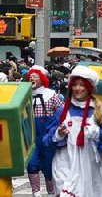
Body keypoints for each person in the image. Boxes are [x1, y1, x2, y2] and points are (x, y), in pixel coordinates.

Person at [45, 65, 102, 196]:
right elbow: (47, 141)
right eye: (75, 85)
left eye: (81, 85)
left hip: (93, 168)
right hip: (66, 165)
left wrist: (98, 134)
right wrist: (59, 134)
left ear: (89, 88)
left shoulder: (100, 112)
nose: (78, 89)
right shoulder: (62, 112)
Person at [26, 65, 63, 197]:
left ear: (41, 79)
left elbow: (61, 111)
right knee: (31, 163)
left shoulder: (51, 94)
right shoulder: (25, 95)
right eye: (30, 75)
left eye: (35, 76)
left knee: (49, 165)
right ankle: (35, 191)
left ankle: (51, 192)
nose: (31, 77)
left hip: (48, 133)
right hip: (31, 134)